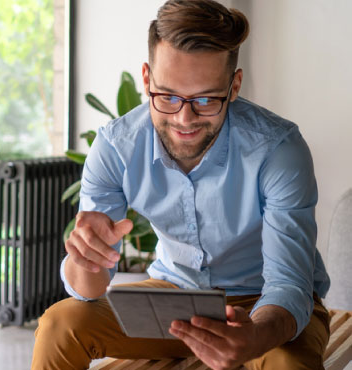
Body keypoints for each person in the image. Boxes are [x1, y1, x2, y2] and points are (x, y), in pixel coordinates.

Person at [31, 0, 331, 369]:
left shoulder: (278, 150)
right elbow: (87, 289)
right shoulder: (115, 147)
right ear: (146, 79)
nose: (184, 118)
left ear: (234, 86)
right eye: (168, 96)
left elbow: (289, 284)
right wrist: (87, 261)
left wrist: (254, 335)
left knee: (290, 364)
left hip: (263, 303)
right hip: (171, 300)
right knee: (59, 325)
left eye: (206, 99)